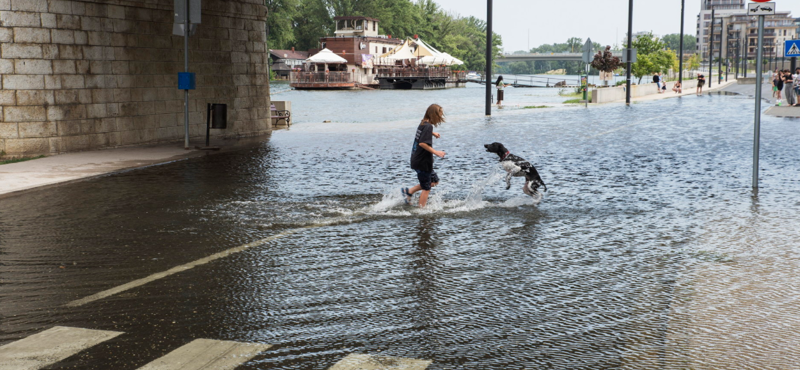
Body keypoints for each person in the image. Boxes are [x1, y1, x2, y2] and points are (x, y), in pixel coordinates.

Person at [402, 104, 446, 208]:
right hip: (422, 162)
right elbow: (422, 143)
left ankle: (409, 191)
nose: (440, 118)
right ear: (434, 115)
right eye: (439, 116)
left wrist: (432, 133)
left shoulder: (423, 123)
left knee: (434, 181)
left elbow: (423, 133)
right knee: (427, 188)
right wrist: (436, 152)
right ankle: (421, 210)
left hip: (418, 159)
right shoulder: (428, 126)